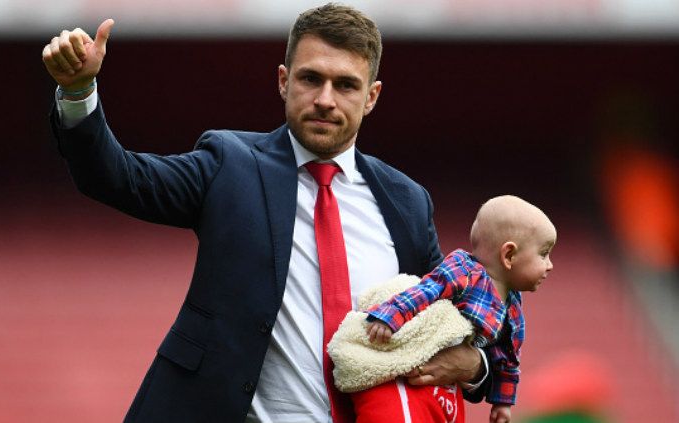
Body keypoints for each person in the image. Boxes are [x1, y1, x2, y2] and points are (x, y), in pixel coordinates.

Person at [41, 3, 490, 422]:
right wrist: (79, 91)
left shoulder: (407, 201)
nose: (325, 100)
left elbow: (460, 313)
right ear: (283, 80)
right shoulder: (230, 163)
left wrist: (477, 364)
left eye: (346, 85)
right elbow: (119, 178)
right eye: (311, 79)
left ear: (371, 96)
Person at [333, 195, 556, 423]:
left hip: (446, 385)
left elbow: (508, 358)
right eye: (543, 254)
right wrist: (390, 316)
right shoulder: (464, 272)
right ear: (509, 255)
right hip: (412, 363)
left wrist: (502, 403)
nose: (549, 265)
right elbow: (425, 292)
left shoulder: (514, 308)